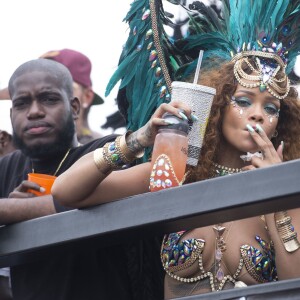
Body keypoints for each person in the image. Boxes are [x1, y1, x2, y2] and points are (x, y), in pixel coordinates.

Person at [52, 0, 300, 298]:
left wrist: (276, 197)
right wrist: (137, 141)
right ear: (219, 107)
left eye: (271, 108)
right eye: (243, 101)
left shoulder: (288, 189)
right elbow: (65, 191)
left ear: (279, 123)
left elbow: (294, 283)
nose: (258, 115)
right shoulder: (176, 172)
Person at [0, 57, 190, 299]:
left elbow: (78, 199)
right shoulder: (6, 168)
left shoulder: (104, 155)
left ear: (75, 107)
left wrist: (15, 209)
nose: (35, 111)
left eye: (49, 99)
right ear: (11, 112)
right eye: (22, 103)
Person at [0, 48, 105, 144]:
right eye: (22, 101)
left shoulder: (107, 152)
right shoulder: (12, 157)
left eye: (50, 97)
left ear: (86, 96)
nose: (34, 110)